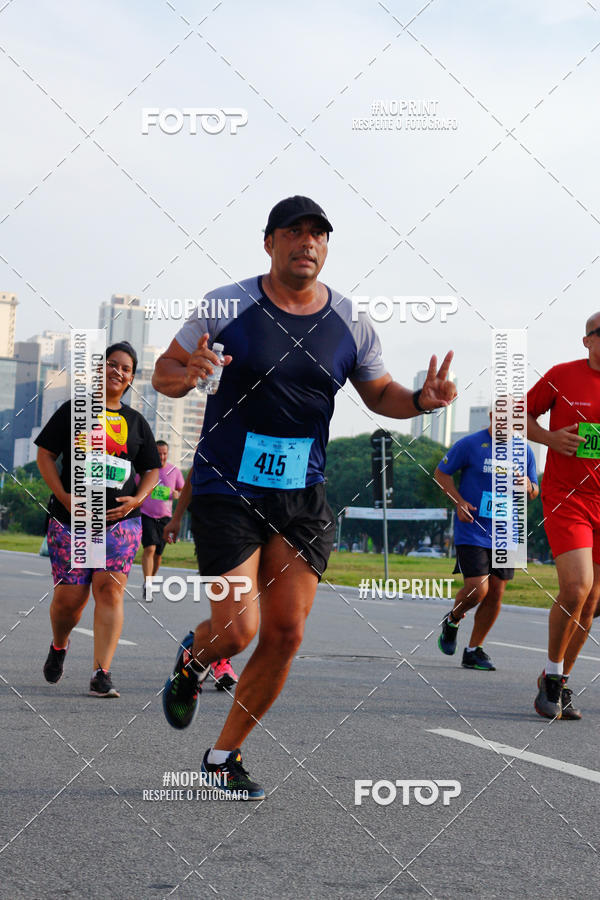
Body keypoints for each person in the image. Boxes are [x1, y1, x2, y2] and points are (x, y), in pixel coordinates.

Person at [152, 195, 457, 799]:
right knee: (236, 630)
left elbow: (380, 395)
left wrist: (422, 401)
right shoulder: (225, 304)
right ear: (270, 242)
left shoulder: (350, 321)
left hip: (302, 495)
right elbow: (165, 371)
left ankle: (223, 756)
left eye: (318, 233)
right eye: (293, 232)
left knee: (286, 632)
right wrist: (189, 373)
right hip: (228, 488)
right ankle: (196, 658)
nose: (307, 242)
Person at [36, 341, 160, 697]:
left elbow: (152, 469)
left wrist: (138, 499)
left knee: (109, 591)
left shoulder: (136, 422)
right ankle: (60, 644)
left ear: (132, 378)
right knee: (70, 601)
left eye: (126, 369)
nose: (118, 372)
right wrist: (63, 496)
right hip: (71, 521)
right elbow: (45, 454)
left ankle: (101, 672)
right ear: (99, 368)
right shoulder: (73, 411)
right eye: (112, 364)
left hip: (121, 522)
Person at [528, 312, 600, 720]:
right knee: (576, 587)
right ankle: (552, 678)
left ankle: (559, 679)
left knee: (591, 602)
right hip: (568, 497)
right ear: (587, 340)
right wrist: (549, 438)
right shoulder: (562, 376)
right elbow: (515, 416)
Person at [435, 410, 539, 670]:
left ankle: (473, 650)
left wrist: (528, 486)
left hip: (506, 532)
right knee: (477, 589)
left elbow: (535, 490)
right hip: (472, 527)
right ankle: (453, 619)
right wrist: (459, 501)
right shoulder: (469, 444)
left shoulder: (524, 451)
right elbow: (441, 474)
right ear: (493, 415)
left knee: (495, 593)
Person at [162, 466, 239, 691]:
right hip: (220, 519)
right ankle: (221, 662)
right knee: (229, 595)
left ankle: (196, 650)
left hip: (263, 515)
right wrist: (177, 518)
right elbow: (196, 469)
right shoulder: (219, 443)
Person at [139, 440, 184, 598]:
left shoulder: (174, 471)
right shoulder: (146, 470)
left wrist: (177, 494)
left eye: (164, 453)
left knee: (158, 554)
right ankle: (148, 583)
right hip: (146, 515)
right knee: (149, 548)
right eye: (159, 454)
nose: (162, 457)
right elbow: (136, 488)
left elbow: (182, 490)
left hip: (165, 517)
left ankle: (151, 579)